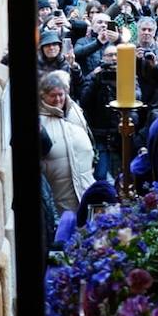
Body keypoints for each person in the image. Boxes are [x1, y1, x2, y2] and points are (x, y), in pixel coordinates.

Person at [78, 43, 138, 180]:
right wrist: (96, 80)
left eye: (117, 55)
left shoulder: (128, 74)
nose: (113, 58)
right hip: (100, 133)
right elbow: (84, 100)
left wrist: (121, 83)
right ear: (103, 58)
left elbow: (137, 97)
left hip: (121, 132)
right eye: (110, 55)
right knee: (100, 174)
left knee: (126, 172)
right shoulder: (94, 75)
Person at [38, 71, 95, 215]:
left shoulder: (75, 111)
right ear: (42, 96)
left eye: (61, 94)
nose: (58, 99)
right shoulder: (40, 123)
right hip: (60, 204)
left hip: (86, 195)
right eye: (53, 95)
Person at [37, 27, 82, 97]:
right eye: (47, 45)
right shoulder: (37, 65)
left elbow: (79, 84)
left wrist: (73, 66)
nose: (51, 48)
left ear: (60, 47)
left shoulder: (66, 63)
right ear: (42, 48)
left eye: (54, 44)